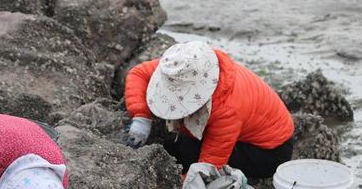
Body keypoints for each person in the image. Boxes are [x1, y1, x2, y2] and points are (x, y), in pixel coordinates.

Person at [124, 41, 294, 180]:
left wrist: (177, 185)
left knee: (188, 152)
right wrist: (141, 117)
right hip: (243, 131)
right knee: (175, 144)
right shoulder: (184, 66)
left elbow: (209, 166)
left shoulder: (227, 109)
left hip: (269, 152)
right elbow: (138, 74)